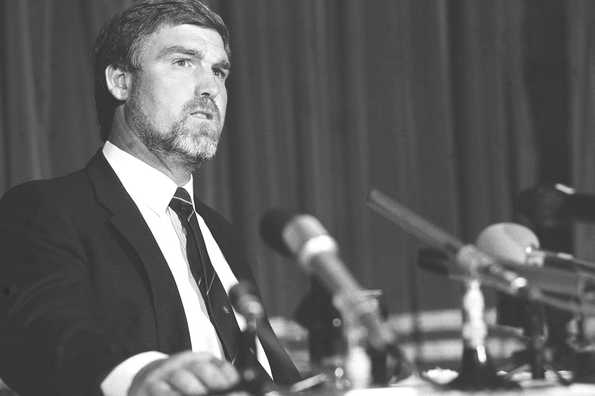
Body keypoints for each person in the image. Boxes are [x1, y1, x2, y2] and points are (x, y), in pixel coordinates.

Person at [0, 1, 300, 395]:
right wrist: (137, 375)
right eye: (183, 62)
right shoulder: (47, 209)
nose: (210, 87)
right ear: (120, 81)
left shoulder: (218, 231)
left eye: (219, 70)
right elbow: (40, 329)